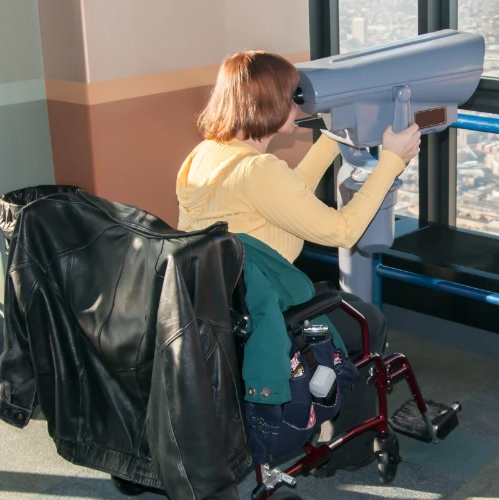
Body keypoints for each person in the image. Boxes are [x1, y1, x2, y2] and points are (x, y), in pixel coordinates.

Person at [176, 50, 420, 474]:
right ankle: (346, 449)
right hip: (265, 315)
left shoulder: (205, 156)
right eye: (292, 97)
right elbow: (343, 230)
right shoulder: (260, 171)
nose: (299, 105)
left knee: (338, 304)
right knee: (368, 321)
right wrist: (392, 162)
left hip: (216, 311)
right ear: (269, 105)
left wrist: (333, 139)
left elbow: (285, 198)